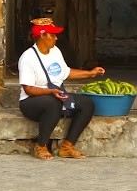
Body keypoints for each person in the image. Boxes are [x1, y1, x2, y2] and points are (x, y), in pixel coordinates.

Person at [18, 17, 106, 160]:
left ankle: (67, 147)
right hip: (31, 102)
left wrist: (90, 73)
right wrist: (51, 92)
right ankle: (41, 146)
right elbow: (28, 89)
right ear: (42, 35)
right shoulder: (28, 57)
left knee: (86, 103)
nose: (56, 38)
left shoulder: (55, 51)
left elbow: (66, 72)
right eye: (52, 35)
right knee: (53, 103)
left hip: (55, 96)